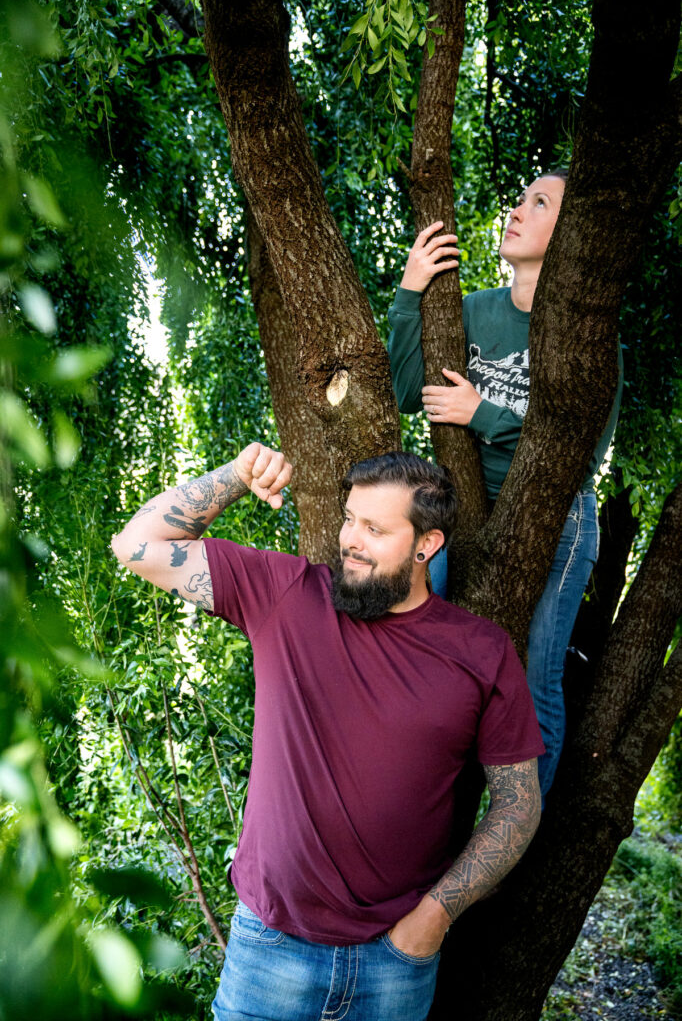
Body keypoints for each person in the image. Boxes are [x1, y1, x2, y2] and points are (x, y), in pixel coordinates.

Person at [111, 441, 544, 1021]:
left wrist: (433, 918)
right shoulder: (286, 595)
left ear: (427, 544)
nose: (350, 540)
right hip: (270, 953)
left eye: (374, 528)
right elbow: (137, 545)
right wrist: (238, 476)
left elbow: (518, 802)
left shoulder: (481, 652)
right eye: (348, 519)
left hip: (396, 964)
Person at [387, 171, 623, 798]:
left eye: (539, 202)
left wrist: (480, 414)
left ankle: (515, 843)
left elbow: (578, 457)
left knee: (533, 676)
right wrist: (411, 291)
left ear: (570, 234)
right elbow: (409, 390)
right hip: (464, 515)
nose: (517, 210)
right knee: (425, 655)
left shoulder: (591, 342)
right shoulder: (474, 312)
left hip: (559, 526)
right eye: (521, 198)